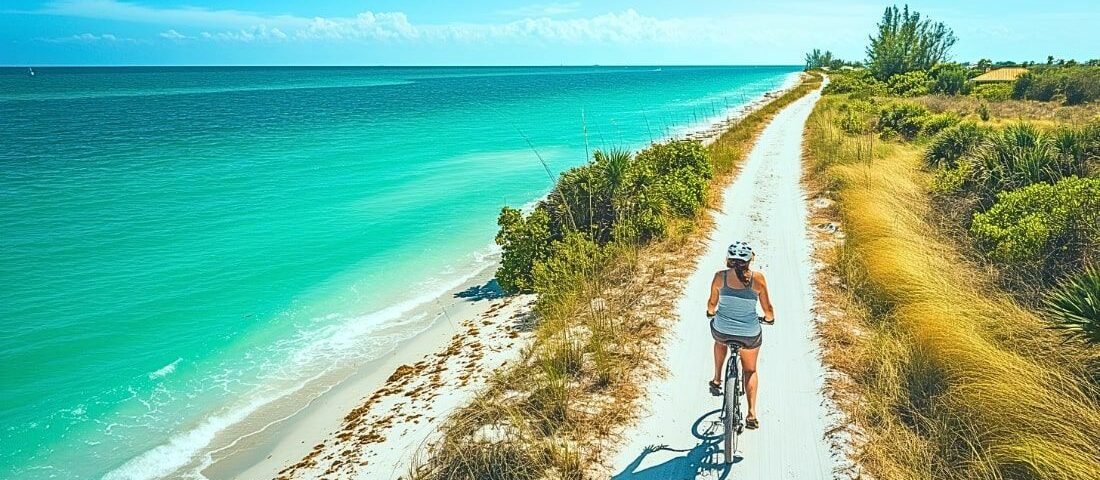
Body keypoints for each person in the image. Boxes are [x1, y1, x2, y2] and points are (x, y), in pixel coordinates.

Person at [706, 241, 775, 429]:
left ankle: (717, 379)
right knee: (750, 370)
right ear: (749, 260)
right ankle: (751, 413)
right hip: (749, 333)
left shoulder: (719, 277)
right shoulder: (758, 279)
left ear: (728, 260)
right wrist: (769, 319)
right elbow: (767, 309)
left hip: (723, 329)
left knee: (719, 341)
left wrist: (711, 313)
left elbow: (711, 304)